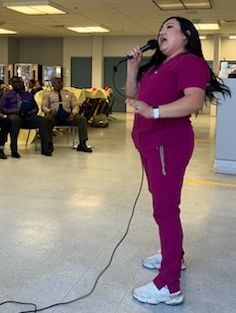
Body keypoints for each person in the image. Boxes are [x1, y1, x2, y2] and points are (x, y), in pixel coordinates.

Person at [125, 17, 231, 306]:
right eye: (160, 28)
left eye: (169, 27)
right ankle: (175, 255)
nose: (161, 31)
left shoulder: (190, 63)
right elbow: (133, 96)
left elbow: (195, 101)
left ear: (185, 36)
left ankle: (168, 285)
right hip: (150, 146)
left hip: (167, 146)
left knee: (165, 209)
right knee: (163, 203)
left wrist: (155, 112)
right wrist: (134, 67)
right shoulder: (160, 65)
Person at [0, 76, 52, 157]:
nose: (18, 84)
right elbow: (3, 109)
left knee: (42, 121)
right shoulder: (7, 96)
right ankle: (14, 150)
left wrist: (33, 111)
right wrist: (13, 111)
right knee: (15, 120)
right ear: (12, 84)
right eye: (16, 82)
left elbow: (36, 108)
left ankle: (45, 148)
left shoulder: (28, 95)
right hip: (14, 116)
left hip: (27, 115)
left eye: (20, 82)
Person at [41, 77, 92, 153]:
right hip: (54, 116)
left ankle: (82, 144)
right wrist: (50, 111)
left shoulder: (69, 94)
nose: (57, 84)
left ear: (62, 83)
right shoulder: (48, 94)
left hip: (68, 116)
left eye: (59, 82)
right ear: (52, 84)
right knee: (46, 119)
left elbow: (75, 105)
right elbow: (43, 106)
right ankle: (48, 144)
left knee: (82, 119)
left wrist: (73, 113)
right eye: (55, 83)